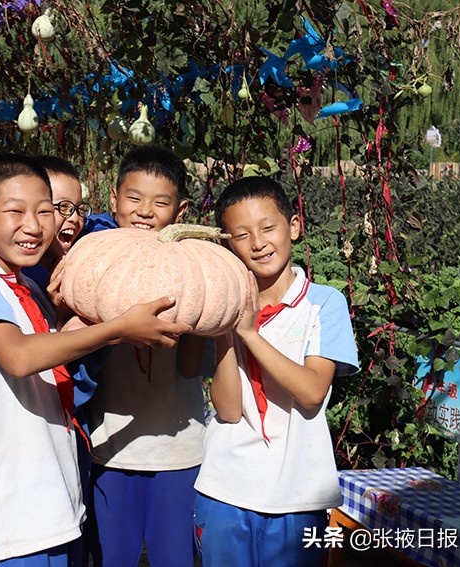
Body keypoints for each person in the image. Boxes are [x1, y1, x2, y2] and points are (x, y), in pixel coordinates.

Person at [0, 153, 193, 567]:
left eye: (45, 211)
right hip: (12, 523)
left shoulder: (29, 290)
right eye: (15, 211)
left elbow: (61, 377)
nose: (35, 226)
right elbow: (18, 357)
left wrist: (81, 316)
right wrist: (118, 328)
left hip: (57, 506)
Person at [194, 176, 359, 567]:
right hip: (224, 489)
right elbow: (230, 409)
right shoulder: (223, 308)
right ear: (226, 244)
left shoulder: (323, 304)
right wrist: (225, 330)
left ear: (294, 227)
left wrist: (248, 334)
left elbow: (312, 392)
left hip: (297, 494)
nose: (258, 242)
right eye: (241, 234)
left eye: (268, 227)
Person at [83, 145, 207, 567]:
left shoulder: (194, 267)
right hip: (111, 446)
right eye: (134, 198)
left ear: (181, 209)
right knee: (115, 558)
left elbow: (191, 367)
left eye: (161, 202)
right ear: (114, 199)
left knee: (175, 559)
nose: (144, 211)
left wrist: (195, 302)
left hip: (179, 448)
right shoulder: (92, 259)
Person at [22, 156, 90, 290]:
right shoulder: (23, 278)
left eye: (80, 209)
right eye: (63, 207)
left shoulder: (76, 268)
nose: (75, 218)